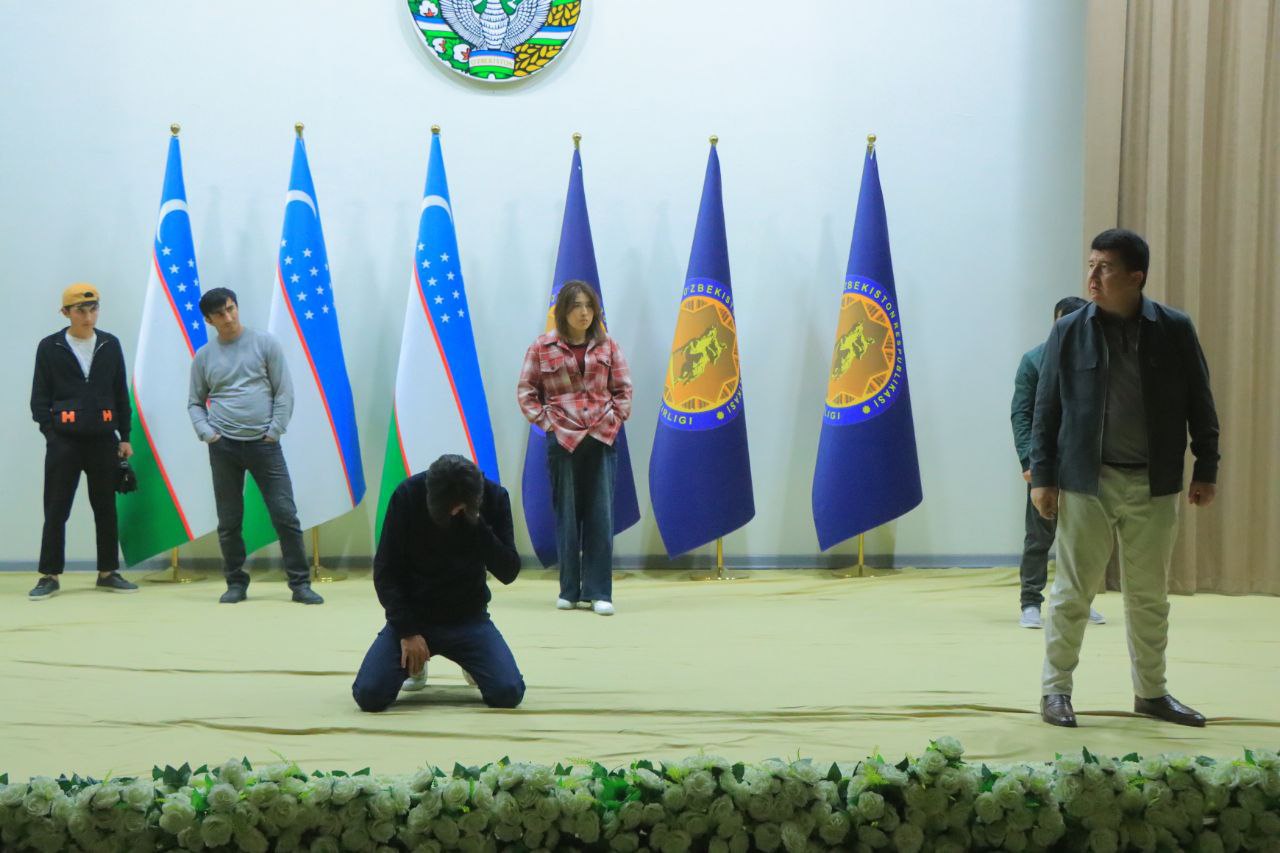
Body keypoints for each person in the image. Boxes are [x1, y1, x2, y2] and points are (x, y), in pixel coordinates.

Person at [1031, 229, 1219, 728]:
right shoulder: (1068, 330)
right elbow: (1046, 409)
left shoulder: (1174, 329)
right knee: (1072, 593)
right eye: (1090, 264)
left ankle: (1152, 694)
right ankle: (1056, 692)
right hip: (1084, 484)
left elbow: (1200, 401)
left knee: (1149, 597)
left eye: (1105, 268)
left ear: (1136, 277)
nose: (1092, 276)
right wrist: (1042, 478)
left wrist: (1207, 466)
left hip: (1154, 484)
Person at [352, 454, 524, 711]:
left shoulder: (495, 496)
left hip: (469, 619)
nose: (454, 513)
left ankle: (472, 662)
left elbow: (508, 571)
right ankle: (416, 664)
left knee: (508, 693)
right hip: (414, 618)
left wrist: (476, 523)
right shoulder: (408, 495)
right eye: (449, 508)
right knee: (369, 696)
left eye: (460, 507)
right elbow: (386, 573)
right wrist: (407, 631)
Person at [187, 287, 322, 605]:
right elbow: (194, 402)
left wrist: (275, 431)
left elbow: (284, 391)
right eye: (220, 313)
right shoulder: (204, 357)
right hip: (224, 447)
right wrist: (208, 433)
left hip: (265, 444)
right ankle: (235, 583)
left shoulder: (265, 344)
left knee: (285, 514)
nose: (229, 317)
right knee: (229, 520)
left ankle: (300, 584)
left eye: (232, 308)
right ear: (209, 320)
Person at [516, 281, 632, 615]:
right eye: (576, 306)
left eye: (589, 306)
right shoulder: (542, 347)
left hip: (601, 438)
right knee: (566, 515)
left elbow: (623, 388)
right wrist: (547, 423)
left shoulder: (608, 345)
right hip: (563, 439)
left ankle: (599, 592)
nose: (583, 313)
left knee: (600, 515)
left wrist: (615, 417)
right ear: (563, 311)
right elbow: (526, 391)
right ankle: (569, 589)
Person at [28, 283, 138, 599]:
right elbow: (39, 398)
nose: (88, 317)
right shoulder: (50, 347)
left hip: (104, 441)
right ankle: (49, 576)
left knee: (106, 508)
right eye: (81, 311)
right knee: (56, 509)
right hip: (64, 442)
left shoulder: (110, 344)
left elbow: (120, 394)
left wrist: (125, 436)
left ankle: (108, 572)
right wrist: (51, 434)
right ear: (66, 313)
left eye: (93, 310)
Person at [1011, 296, 1106, 629]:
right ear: (1055, 324)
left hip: (1085, 462)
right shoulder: (1034, 361)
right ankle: (1030, 602)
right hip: (1045, 462)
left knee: (1083, 536)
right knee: (1040, 534)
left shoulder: (1097, 361)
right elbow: (1022, 414)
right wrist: (1029, 460)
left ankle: (1078, 601)